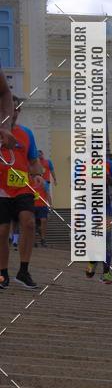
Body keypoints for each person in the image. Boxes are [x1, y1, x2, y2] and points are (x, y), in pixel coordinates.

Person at [0, 96, 44, 289]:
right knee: (2, 231)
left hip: (23, 185)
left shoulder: (26, 133)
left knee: (29, 222)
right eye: (10, 108)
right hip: (1, 188)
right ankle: (3, 273)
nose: (14, 112)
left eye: (17, 109)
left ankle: (23, 271)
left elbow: (33, 161)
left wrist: (38, 175)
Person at [85, 155, 112, 283]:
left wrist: (109, 180)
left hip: (105, 206)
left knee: (106, 240)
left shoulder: (108, 164)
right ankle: (92, 262)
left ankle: (106, 273)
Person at [32, 172, 51, 247]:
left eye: (39, 175)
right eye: (35, 175)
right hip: (33, 206)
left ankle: (43, 239)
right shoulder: (30, 183)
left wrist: (50, 204)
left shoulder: (44, 183)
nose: (37, 177)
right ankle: (34, 241)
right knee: (33, 224)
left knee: (43, 221)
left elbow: (48, 194)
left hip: (42, 205)